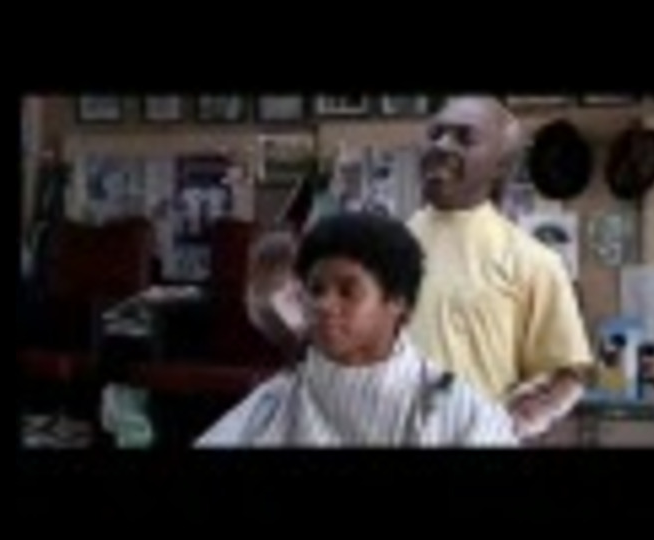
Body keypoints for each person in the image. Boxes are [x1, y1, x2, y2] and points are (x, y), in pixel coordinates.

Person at [194, 213, 517, 447]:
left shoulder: (457, 410)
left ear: (398, 302)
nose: (323, 305)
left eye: (347, 291)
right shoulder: (274, 404)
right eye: (316, 290)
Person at [406, 96, 593, 439]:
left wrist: (528, 415)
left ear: (501, 166)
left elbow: (568, 373)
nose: (441, 146)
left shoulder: (534, 262)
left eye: (464, 138)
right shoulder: (382, 248)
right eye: (435, 134)